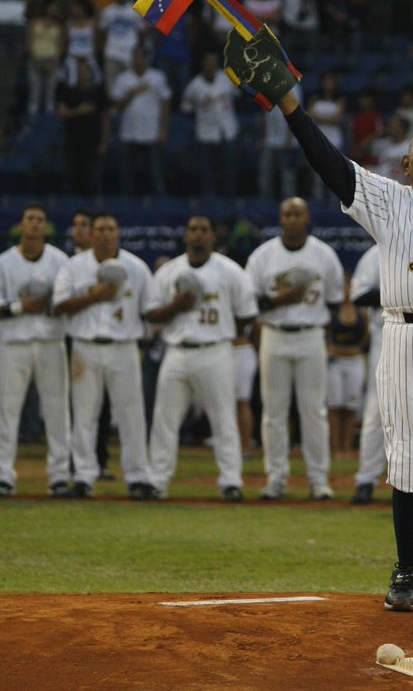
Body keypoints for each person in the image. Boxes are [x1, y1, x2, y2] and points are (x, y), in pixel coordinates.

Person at [225, 26, 413, 615]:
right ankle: (405, 572)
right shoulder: (391, 202)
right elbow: (331, 164)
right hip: (411, 336)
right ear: (407, 164)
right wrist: (291, 104)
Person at [145, 215, 258, 501]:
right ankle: (158, 481)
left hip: (215, 349)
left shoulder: (230, 271)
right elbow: (151, 313)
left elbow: (247, 313)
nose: (197, 235)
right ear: (185, 236)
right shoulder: (169, 271)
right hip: (178, 350)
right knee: (164, 419)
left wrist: (225, 330)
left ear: (212, 236)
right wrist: (176, 305)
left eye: (203, 230)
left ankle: (231, 481)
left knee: (223, 419)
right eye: (193, 230)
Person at [245, 198, 345, 501]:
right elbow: (250, 304)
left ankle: (318, 480)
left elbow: (336, 300)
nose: (292, 218)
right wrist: (281, 300)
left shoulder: (323, 254)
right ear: (280, 218)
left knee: (314, 411)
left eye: (297, 213)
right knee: (273, 412)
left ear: (307, 218)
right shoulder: (264, 256)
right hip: (274, 334)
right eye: (287, 213)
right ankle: (276, 478)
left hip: (311, 334)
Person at [52, 213, 154, 500]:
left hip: (123, 346)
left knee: (131, 414)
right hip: (85, 345)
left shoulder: (136, 268)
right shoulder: (74, 267)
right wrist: (93, 296)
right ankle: (84, 477)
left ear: (118, 233)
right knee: (85, 414)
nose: (105, 234)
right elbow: (59, 305)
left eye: (110, 229)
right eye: (99, 229)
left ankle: (137, 476)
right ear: (90, 234)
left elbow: (150, 308)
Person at [0, 203, 70, 498]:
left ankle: (58, 476)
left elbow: (67, 302)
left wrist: (52, 304)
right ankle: (4, 475)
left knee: (56, 410)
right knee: (6, 410)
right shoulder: (2, 264)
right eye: (29, 219)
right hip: (13, 343)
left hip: (50, 343)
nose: (34, 224)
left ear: (46, 228)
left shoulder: (60, 262)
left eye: (40, 220)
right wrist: (22, 307)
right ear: (20, 226)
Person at [348, 244, 385, 505]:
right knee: (376, 410)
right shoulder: (378, 251)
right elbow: (358, 294)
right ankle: (366, 480)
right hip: (388, 333)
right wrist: (402, 292)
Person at [111, 45, 170, 196]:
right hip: (129, 132)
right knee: (127, 174)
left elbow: (165, 104)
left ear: (146, 59)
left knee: (154, 173)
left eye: (139, 57)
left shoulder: (157, 77)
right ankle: (127, 202)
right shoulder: (123, 78)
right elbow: (116, 105)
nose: (136, 60)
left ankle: (158, 202)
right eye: (134, 57)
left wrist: (163, 129)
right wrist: (132, 93)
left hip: (151, 132)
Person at [180, 53, 239, 196]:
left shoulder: (227, 79)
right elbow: (185, 108)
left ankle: (229, 204)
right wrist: (201, 105)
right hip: (206, 134)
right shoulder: (194, 86)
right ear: (203, 65)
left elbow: (238, 94)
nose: (211, 65)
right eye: (208, 63)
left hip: (227, 131)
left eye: (214, 62)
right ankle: (209, 204)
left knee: (229, 172)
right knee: (207, 175)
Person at [327, 277, 368, 460]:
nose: (347, 290)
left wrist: (358, 349)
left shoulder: (362, 311)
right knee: (335, 406)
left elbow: (366, 336)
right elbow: (325, 332)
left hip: (355, 360)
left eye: (350, 286)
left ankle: (347, 448)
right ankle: (335, 449)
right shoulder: (333, 310)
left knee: (351, 407)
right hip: (335, 360)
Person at [55, 60, 109, 197]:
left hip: (93, 143)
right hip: (73, 142)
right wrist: (78, 111)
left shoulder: (98, 93)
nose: (83, 74)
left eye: (86, 71)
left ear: (91, 74)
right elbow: (61, 112)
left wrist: (104, 141)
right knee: (72, 178)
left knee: (92, 180)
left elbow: (105, 118)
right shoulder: (69, 91)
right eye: (80, 71)